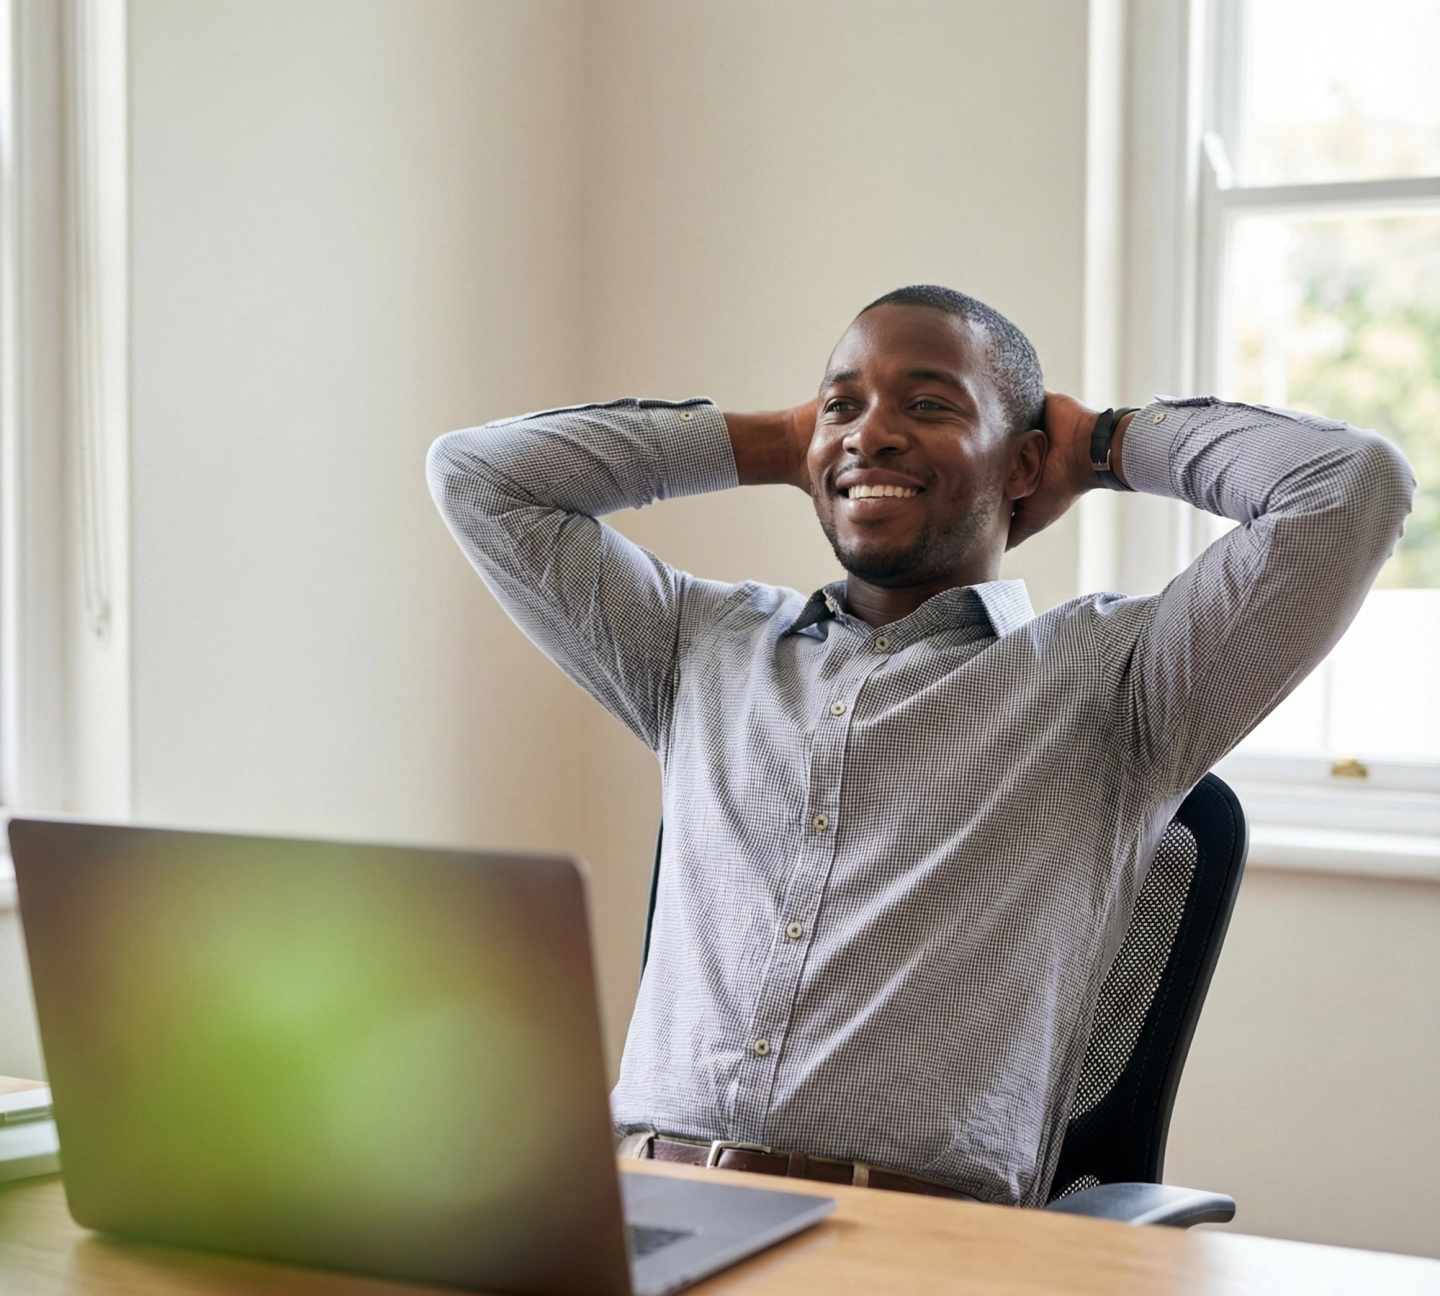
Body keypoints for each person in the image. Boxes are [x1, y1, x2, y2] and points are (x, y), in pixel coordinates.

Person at [427, 284, 1413, 1206]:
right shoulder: (696, 649)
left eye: (929, 406)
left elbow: (1349, 488)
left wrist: (1107, 442)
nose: (871, 434)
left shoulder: (1122, 683)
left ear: (1022, 462)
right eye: (842, 405)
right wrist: (781, 441)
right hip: (647, 1205)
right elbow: (478, 478)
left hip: (913, 1237)